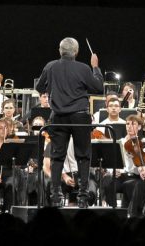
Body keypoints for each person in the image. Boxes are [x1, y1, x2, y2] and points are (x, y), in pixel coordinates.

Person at [36, 37, 103, 208]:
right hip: (80, 117)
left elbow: (39, 88)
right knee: (83, 156)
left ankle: (56, 195)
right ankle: (82, 196)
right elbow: (98, 88)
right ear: (77, 51)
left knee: (57, 156)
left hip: (58, 116)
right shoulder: (83, 67)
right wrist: (95, 67)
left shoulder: (50, 66)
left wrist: (53, 88)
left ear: (60, 50)